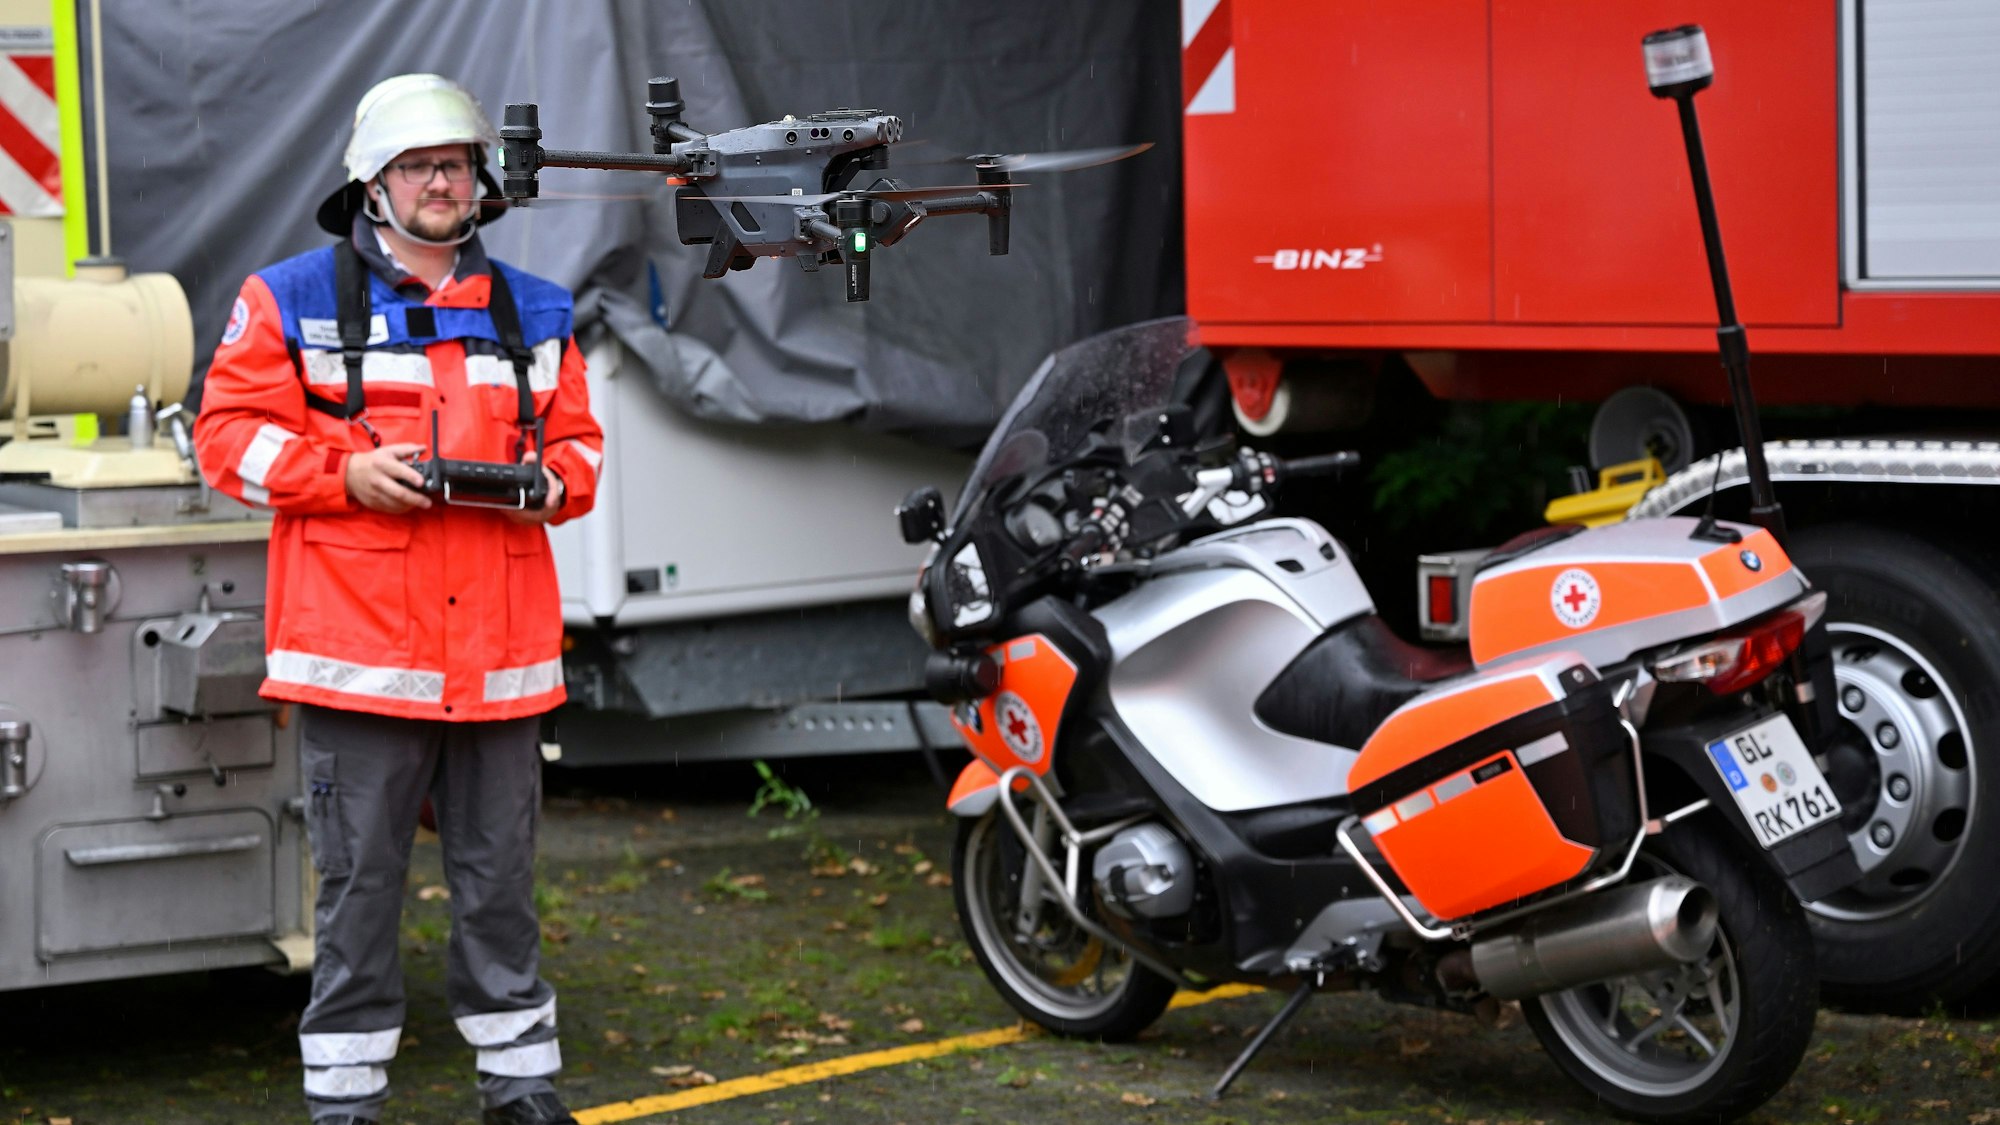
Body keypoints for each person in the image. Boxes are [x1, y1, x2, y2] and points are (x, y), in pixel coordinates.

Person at [194, 74, 604, 1125]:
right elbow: (225, 442)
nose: (441, 182)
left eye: (456, 165)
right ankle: (345, 1100)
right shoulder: (284, 299)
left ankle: (518, 1086)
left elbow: (578, 452)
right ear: (372, 185)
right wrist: (344, 476)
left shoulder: (536, 311)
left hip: (501, 664)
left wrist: (552, 486)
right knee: (359, 890)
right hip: (363, 659)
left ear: (480, 185)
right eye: (420, 165)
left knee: (499, 887)